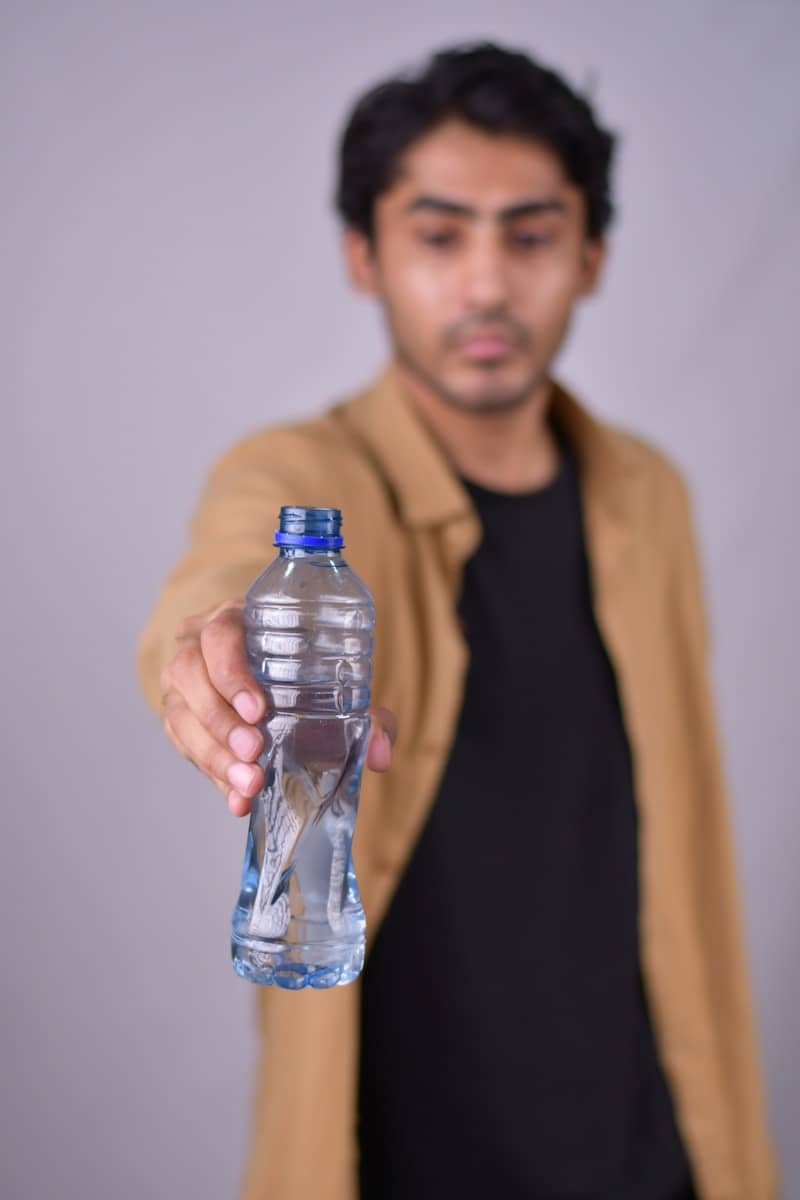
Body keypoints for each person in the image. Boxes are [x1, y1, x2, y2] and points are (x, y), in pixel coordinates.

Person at [138, 42, 777, 1200]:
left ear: (588, 258)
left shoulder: (647, 496)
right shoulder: (302, 476)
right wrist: (210, 656)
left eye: (529, 236)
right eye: (438, 236)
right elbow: (218, 583)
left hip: (652, 1144)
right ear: (361, 254)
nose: (485, 284)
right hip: (399, 1154)